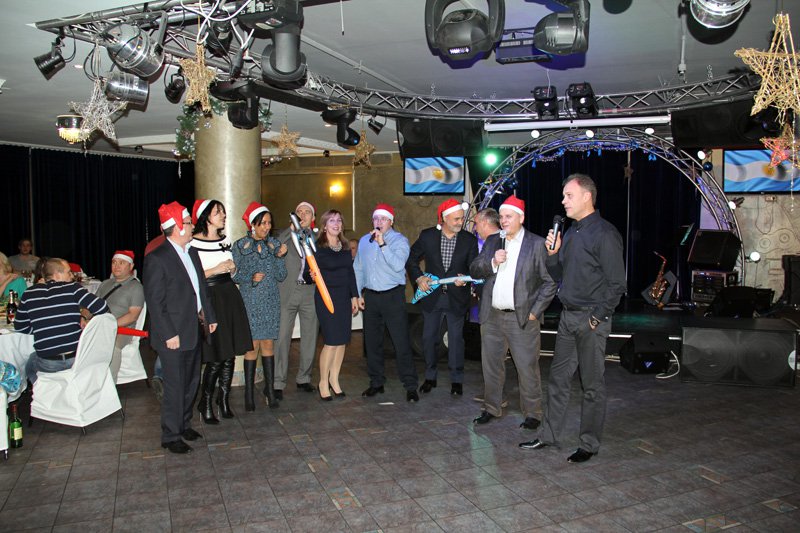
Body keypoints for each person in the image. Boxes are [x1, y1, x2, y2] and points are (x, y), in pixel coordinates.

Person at [520, 174, 626, 464]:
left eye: (569, 195)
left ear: (587, 197)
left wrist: (597, 317)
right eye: (563, 195)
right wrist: (553, 254)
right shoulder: (571, 233)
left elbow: (617, 284)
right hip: (568, 317)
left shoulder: (605, 234)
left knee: (591, 386)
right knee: (558, 380)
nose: (563, 201)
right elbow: (558, 275)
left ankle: (588, 444)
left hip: (591, 319)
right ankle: (548, 435)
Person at [470, 195, 557, 429]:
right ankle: (491, 407)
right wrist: (492, 262)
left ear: (521, 217)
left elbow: (550, 282)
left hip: (522, 318)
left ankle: (533, 413)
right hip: (492, 316)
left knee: (527, 367)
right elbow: (475, 269)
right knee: (491, 367)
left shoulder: (536, 244)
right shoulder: (492, 241)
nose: (504, 221)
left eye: (508, 216)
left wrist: (534, 312)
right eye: (501, 217)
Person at [143, 201, 217, 454]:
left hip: (193, 327)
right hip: (172, 334)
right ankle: (170, 434)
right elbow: (155, 302)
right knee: (175, 385)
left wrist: (210, 316)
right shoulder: (157, 258)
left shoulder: (191, 252)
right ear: (177, 227)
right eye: (188, 222)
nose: (192, 226)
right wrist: (168, 333)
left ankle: (184, 424)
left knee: (191, 381)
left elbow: (201, 289)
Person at [407, 199, 478, 396]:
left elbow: (474, 268)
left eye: (462, 218)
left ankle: (457, 380)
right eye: (456, 219)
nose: (461, 222)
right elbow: (411, 259)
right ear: (444, 218)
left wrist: (466, 279)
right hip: (432, 297)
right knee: (428, 338)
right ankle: (430, 377)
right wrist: (419, 277)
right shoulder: (428, 236)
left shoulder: (469, 240)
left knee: (455, 340)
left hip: (457, 297)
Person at [191, 199, 253, 424]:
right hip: (210, 298)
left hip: (229, 296)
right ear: (206, 216)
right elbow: (191, 277)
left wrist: (233, 269)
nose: (223, 216)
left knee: (229, 354)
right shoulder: (192, 243)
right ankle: (205, 401)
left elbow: (233, 274)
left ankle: (223, 399)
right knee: (216, 356)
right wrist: (216, 269)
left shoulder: (224, 241)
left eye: (223, 212)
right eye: (218, 212)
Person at [354, 203, 420, 402]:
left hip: (392, 296)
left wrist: (383, 244)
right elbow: (358, 268)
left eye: (383, 219)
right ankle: (376, 382)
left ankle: (410, 385)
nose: (379, 222)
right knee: (372, 343)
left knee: (401, 342)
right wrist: (357, 294)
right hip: (371, 297)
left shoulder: (400, 241)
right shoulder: (364, 241)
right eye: (376, 218)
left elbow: (398, 265)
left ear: (391, 221)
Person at [15, 258, 109, 383]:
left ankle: (43, 390)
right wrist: (82, 318)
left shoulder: (29, 293)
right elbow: (102, 307)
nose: (72, 276)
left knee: (29, 366)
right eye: (68, 272)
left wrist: (42, 327)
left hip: (48, 362)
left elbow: (20, 326)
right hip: (77, 358)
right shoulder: (73, 288)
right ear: (57, 274)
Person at [232, 201, 288, 411]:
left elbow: (281, 275)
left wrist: (280, 258)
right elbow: (233, 274)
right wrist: (249, 278)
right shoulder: (240, 246)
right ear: (253, 225)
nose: (267, 227)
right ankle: (249, 394)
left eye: (269, 223)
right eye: (263, 223)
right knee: (252, 346)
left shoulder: (274, 244)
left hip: (270, 300)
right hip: (251, 300)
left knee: (268, 344)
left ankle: (270, 392)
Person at [275, 201, 320, 398]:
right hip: (288, 291)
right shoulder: (285, 235)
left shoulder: (318, 238)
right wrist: (291, 229)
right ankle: (278, 381)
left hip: (310, 291)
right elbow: (275, 247)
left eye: (307, 212)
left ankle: (304, 378)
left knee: (310, 336)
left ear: (313, 217)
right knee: (282, 336)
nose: (302, 214)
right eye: (299, 212)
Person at [313, 210, 359, 400]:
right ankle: (323, 382)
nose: (336, 223)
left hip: (343, 298)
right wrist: (311, 275)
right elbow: (308, 273)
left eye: (339, 220)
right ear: (324, 226)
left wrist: (354, 296)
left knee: (341, 342)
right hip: (326, 298)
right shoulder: (317, 247)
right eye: (332, 220)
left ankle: (334, 379)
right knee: (331, 341)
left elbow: (350, 273)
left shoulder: (345, 247)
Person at [95, 250, 145, 381]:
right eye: (114, 262)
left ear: (131, 266)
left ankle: (110, 384)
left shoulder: (136, 287)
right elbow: (91, 305)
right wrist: (83, 316)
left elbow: (133, 316)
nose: (116, 266)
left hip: (122, 330)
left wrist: (109, 325)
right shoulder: (105, 283)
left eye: (121, 263)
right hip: (99, 325)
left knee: (113, 346)